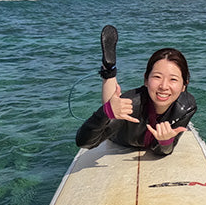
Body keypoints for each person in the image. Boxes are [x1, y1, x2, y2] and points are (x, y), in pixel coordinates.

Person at [75, 25, 196, 156]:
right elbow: (85, 143)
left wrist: (165, 142)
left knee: (115, 106)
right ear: (146, 80)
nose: (164, 86)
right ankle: (109, 71)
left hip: (144, 137)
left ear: (184, 85)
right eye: (157, 77)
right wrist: (105, 112)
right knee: (113, 108)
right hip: (121, 139)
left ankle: (109, 70)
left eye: (173, 79)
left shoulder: (186, 107)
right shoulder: (130, 106)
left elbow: (164, 151)